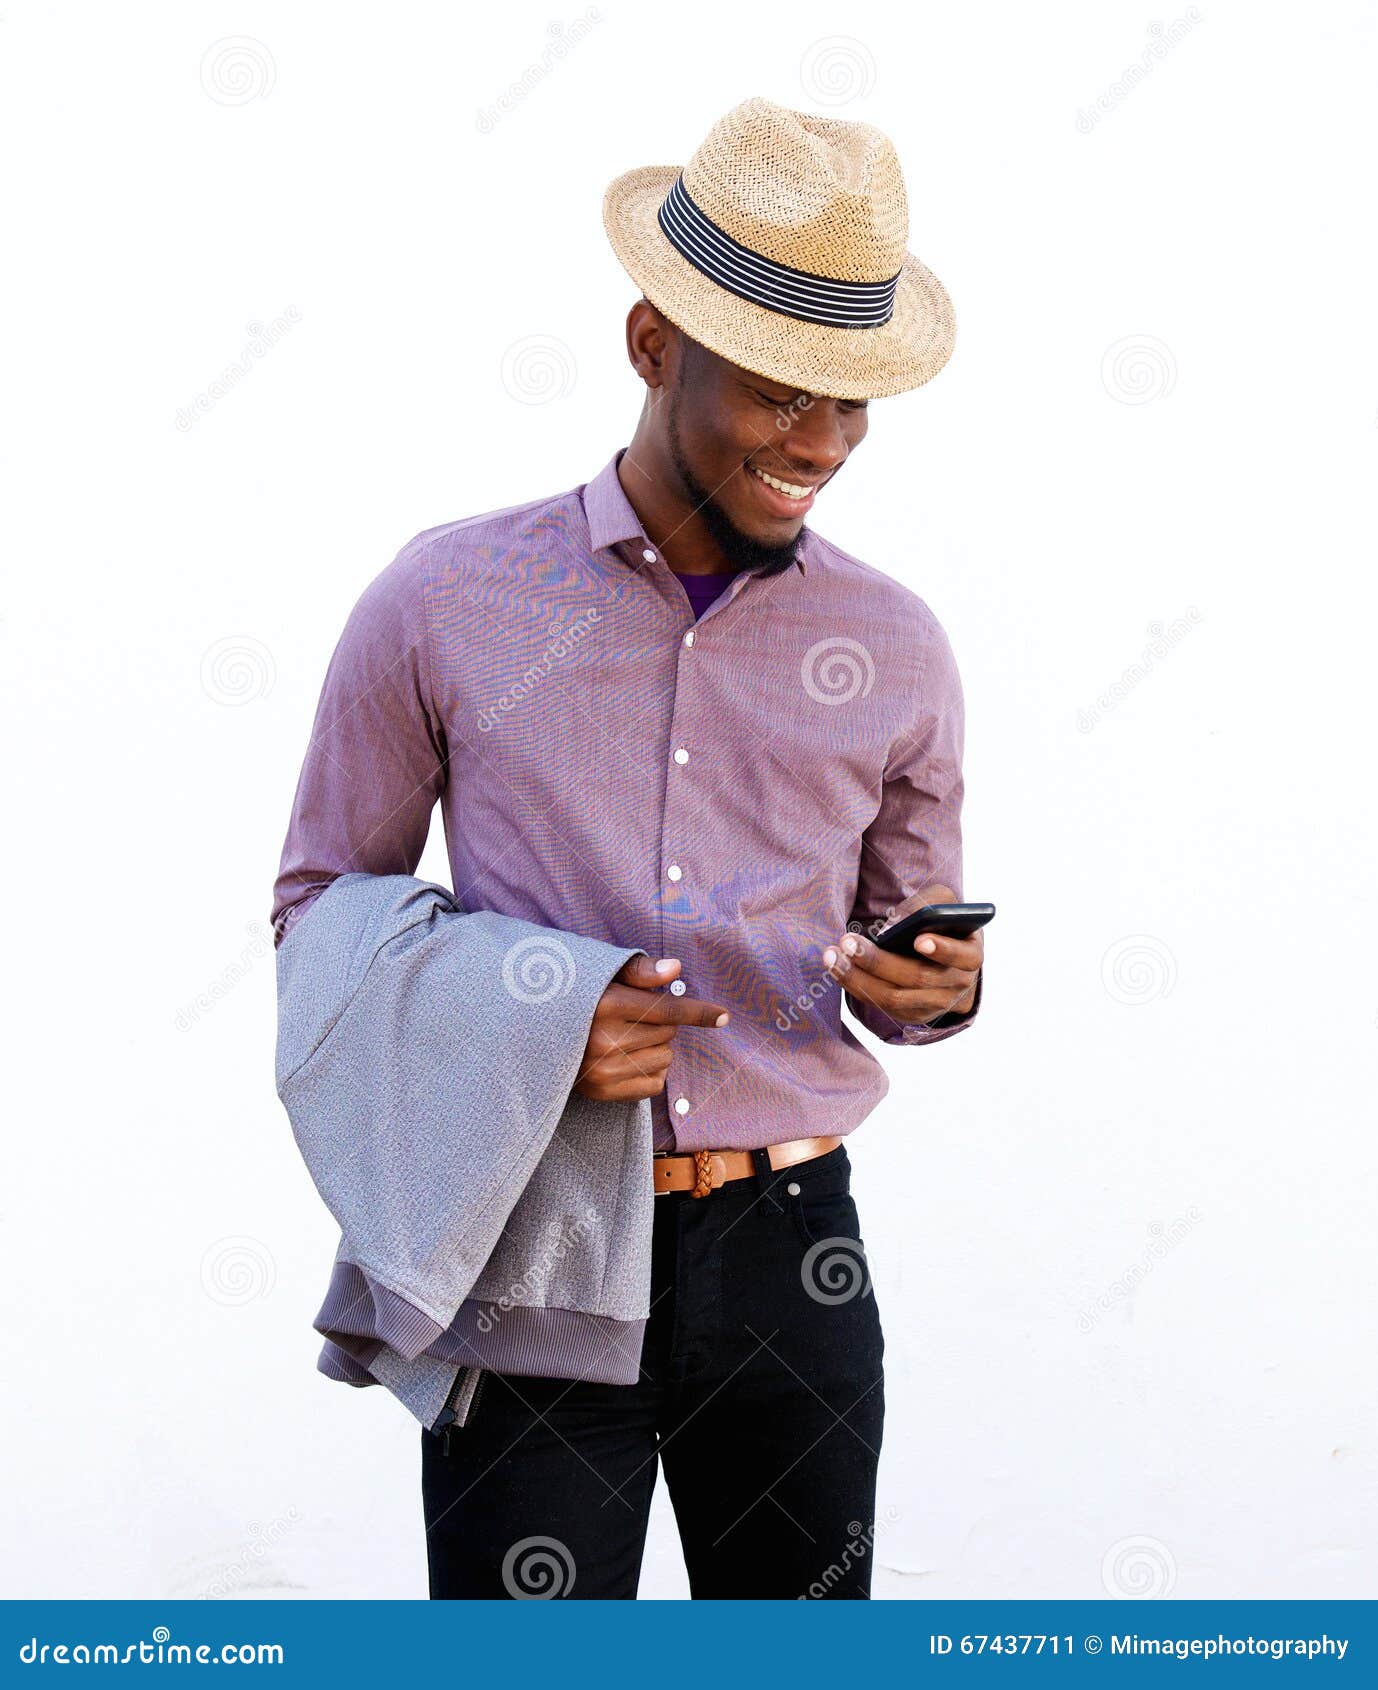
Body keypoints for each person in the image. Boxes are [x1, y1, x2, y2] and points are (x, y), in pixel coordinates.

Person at [271, 95, 984, 1600]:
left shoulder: (897, 644)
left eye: (849, 403)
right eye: (781, 392)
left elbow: (910, 927)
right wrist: (532, 1013)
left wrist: (932, 984)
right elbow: (320, 903)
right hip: (535, 1235)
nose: (822, 444)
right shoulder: (443, 599)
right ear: (654, 344)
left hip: (796, 1257)